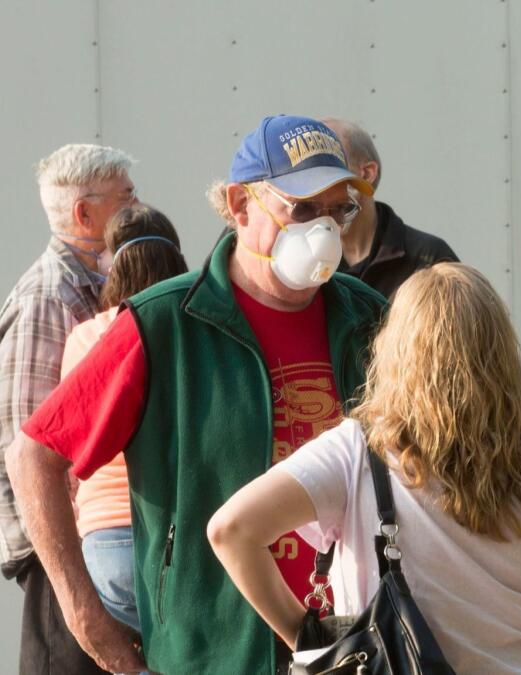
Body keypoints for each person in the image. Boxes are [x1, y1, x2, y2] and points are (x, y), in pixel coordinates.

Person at [6, 114, 386, 674]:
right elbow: (34, 454)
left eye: (339, 209)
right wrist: (88, 619)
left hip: (353, 648)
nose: (324, 230)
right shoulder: (163, 323)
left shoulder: (367, 316)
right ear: (239, 205)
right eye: (302, 209)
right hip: (213, 653)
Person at [209, 262, 521, 674]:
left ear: (394, 350)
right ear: (503, 355)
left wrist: (311, 642)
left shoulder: (356, 453)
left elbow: (230, 530)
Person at [0, 142, 136, 675]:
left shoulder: (95, 285)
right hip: (63, 556)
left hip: (95, 548)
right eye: (127, 197)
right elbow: (21, 445)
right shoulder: (48, 297)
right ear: (85, 213)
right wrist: (60, 565)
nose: (137, 206)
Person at [62, 204, 188, 632]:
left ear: (111, 268)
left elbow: (74, 441)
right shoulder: (195, 330)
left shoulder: (87, 337)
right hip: (181, 531)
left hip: (105, 539)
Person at [320, 117, 458, 298]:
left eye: (330, 167)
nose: (318, 185)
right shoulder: (310, 261)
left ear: (367, 173)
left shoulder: (429, 259)